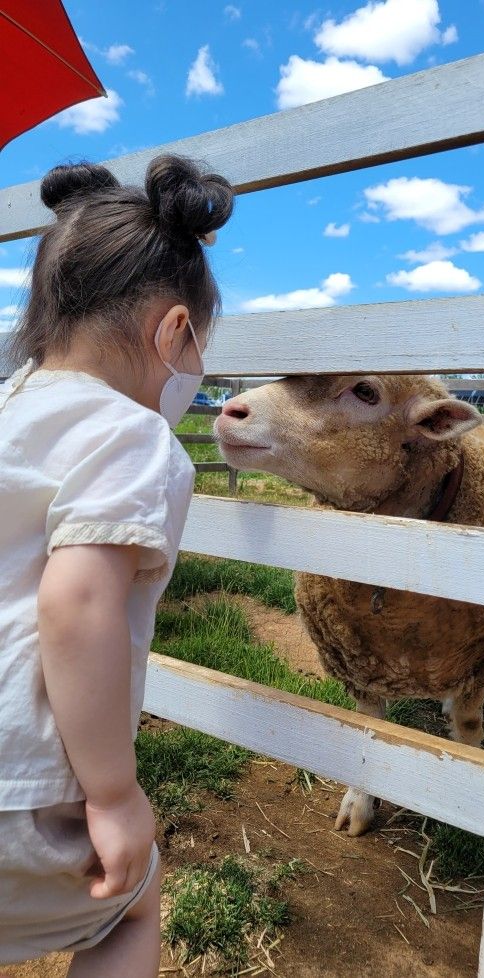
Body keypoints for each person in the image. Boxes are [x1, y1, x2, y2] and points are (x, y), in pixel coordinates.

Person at [0, 154, 233, 978]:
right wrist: (112, 794)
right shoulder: (132, 435)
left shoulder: (9, 415)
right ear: (172, 332)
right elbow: (76, 602)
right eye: (200, 345)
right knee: (131, 908)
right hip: (20, 784)